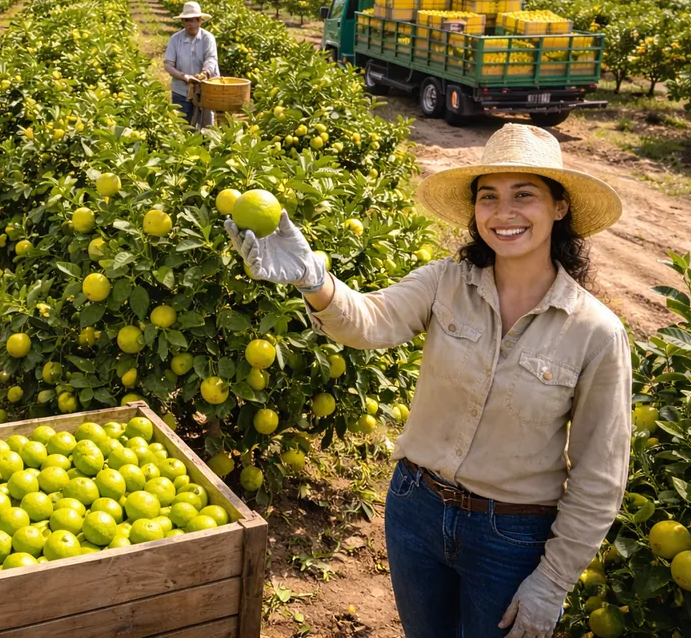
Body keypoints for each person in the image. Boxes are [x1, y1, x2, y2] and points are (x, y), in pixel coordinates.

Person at [225, 124, 631, 638]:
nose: (503, 213)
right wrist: (313, 278)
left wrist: (551, 582)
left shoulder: (595, 332)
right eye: (489, 197)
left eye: (523, 195)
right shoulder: (447, 283)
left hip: (512, 536)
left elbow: (600, 477)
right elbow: (370, 320)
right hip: (416, 509)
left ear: (559, 207)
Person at [163, 1, 219, 128]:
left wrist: (205, 73)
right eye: (186, 21)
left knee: (206, 128)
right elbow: (168, 65)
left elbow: (211, 58)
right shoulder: (175, 39)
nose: (190, 24)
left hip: (205, 90)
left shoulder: (208, 38)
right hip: (181, 90)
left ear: (199, 21)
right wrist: (184, 77)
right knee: (182, 127)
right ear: (182, 22)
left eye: (193, 20)